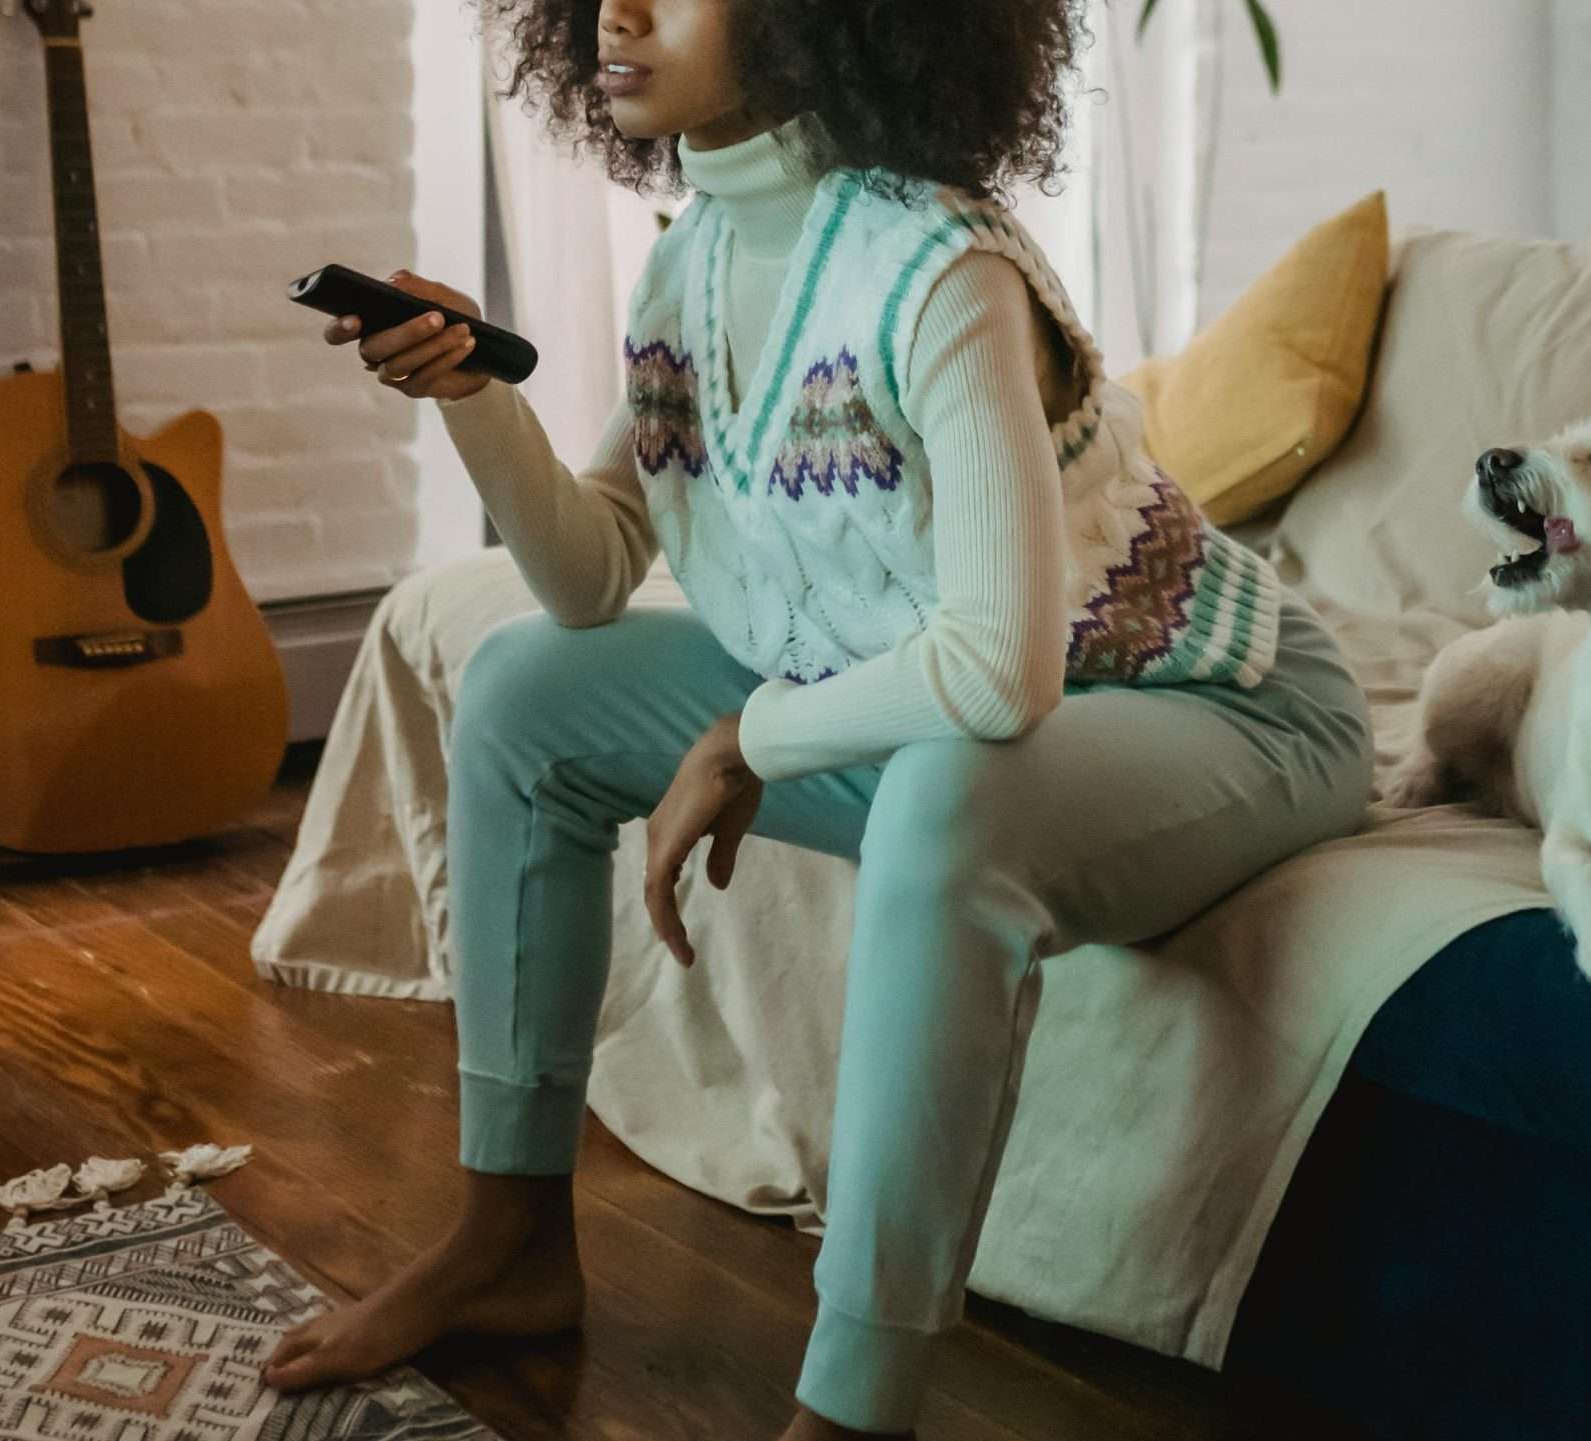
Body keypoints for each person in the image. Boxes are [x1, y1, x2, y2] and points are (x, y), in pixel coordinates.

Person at [258, 2, 1374, 1436]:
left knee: (946, 798)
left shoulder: (942, 270)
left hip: (1216, 710)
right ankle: (509, 1240)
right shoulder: (696, 256)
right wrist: (473, 390)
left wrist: (746, 740)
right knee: (525, 688)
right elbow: (594, 573)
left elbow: (996, 672)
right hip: (955, 716)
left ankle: (856, 1403)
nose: (622, 9)